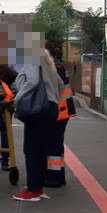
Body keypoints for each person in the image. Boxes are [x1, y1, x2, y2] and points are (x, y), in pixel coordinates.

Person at [11, 41, 61, 202]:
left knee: (31, 150)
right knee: (40, 149)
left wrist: (17, 99)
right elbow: (59, 84)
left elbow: (32, 81)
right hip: (50, 108)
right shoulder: (48, 63)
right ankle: (37, 187)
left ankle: (33, 191)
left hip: (38, 110)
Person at [44, 41, 76, 187]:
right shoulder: (59, 65)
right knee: (56, 144)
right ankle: (59, 175)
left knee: (52, 145)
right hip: (63, 110)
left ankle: (53, 178)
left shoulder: (53, 67)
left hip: (58, 111)